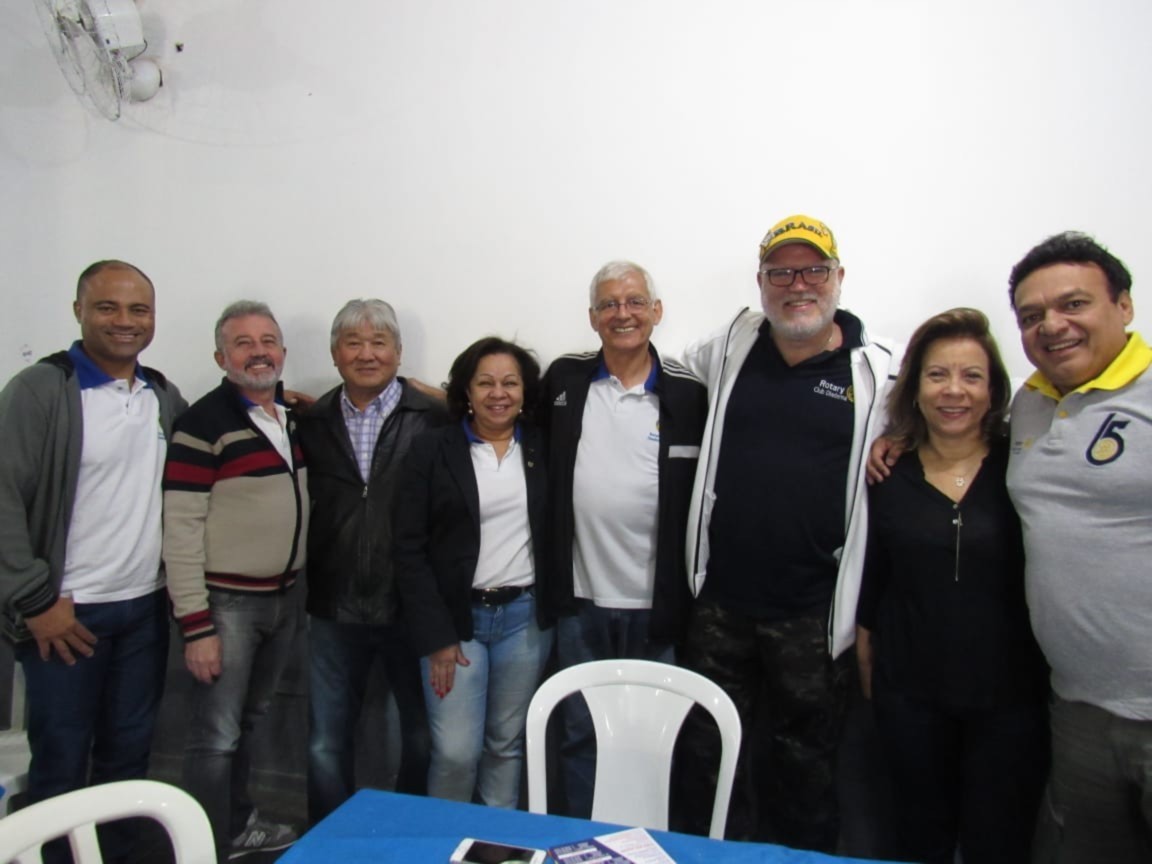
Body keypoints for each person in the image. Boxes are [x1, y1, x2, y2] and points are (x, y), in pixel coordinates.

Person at [676, 214, 899, 849]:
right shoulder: (731, 345)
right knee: (708, 759)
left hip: (812, 613)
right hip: (720, 604)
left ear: (838, 277)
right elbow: (661, 370)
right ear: (761, 282)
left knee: (806, 768)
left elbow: (942, 407)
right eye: (781, 272)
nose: (798, 285)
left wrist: (904, 435)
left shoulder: (879, 369)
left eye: (813, 270)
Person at [0, 260, 183, 863]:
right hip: (65, 615)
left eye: (138, 309)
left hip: (142, 610)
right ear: (78, 311)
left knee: (127, 760)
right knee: (60, 760)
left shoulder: (159, 395)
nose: (124, 321)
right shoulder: (40, 391)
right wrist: (35, 601)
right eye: (108, 307)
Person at [856, 308, 1048, 864]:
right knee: (917, 839)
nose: (954, 391)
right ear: (915, 389)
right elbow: (875, 579)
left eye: (972, 376)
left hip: (1009, 701)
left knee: (1000, 843)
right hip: (909, 696)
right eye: (937, 375)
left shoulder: (1025, 469)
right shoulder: (886, 473)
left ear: (994, 391)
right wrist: (870, 675)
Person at [537, 261, 707, 817]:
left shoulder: (688, 393)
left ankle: (645, 842)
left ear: (656, 311)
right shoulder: (565, 381)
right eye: (608, 304)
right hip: (579, 601)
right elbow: (503, 413)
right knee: (579, 734)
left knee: (653, 740)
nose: (622, 314)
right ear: (592, 318)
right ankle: (579, 842)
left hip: (658, 606)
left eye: (634, 302)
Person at [1004, 232, 1152, 863]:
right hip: (1076, 707)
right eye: (1032, 315)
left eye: (1074, 304)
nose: (1052, 326)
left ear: (1124, 305)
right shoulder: (1031, 403)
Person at [163, 300, 308, 860]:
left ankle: (236, 824)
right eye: (243, 343)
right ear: (220, 357)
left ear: (283, 352)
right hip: (226, 606)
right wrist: (196, 626)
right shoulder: (202, 425)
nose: (258, 352)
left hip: (283, 599)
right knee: (215, 736)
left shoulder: (288, 418)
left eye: (268, 341)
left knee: (249, 721)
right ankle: (203, 845)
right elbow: (180, 530)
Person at [298, 299, 448, 824]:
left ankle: (407, 838)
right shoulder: (311, 421)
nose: (367, 354)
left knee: (420, 735)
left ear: (398, 352)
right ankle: (330, 842)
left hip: (412, 604)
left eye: (379, 342)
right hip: (332, 604)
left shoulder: (433, 418)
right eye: (353, 343)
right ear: (334, 353)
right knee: (325, 739)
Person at [393, 337, 551, 808]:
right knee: (456, 752)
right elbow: (408, 548)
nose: (498, 393)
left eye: (510, 383)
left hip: (524, 621)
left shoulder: (542, 447)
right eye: (485, 383)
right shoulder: (432, 450)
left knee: (506, 745)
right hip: (455, 623)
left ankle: (495, 841)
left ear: (524, 392)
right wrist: (436, 635)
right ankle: (446, 841)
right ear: (466, 390)